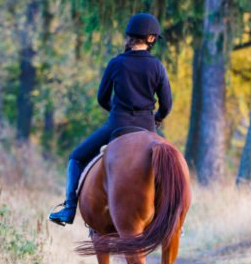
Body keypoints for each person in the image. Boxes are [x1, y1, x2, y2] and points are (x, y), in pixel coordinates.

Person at [49, 13, 173, 226]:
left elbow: (102, 98)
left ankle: (69, 209)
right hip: (147, 127)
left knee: (77, 157)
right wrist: (156, 119)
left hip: (117, 125)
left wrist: (116, 111)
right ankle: (173, 217)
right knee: (171, 164)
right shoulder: (157, 67)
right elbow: (167, 104)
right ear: (151, 39)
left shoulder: (116, 64)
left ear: (131, 37)